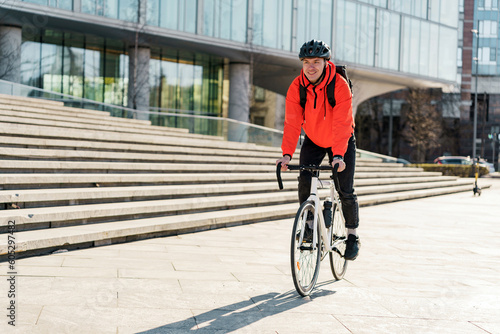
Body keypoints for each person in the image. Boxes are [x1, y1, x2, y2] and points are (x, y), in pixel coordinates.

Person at [276, 39, 360, 260]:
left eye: (316, 61)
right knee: (305, 179)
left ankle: (352, 235)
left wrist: (339, 155)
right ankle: (310, 225)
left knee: (345, 188)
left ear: (325, 62)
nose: (310, 66)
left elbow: (342, 124)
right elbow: (292, 123)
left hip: (340, 139)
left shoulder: (339, 85)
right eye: (306, 62)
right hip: (313, 138)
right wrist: (286, 154)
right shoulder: (296, 87)